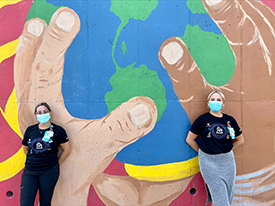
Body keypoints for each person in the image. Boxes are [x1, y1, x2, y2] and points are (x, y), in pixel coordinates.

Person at [186, 91, 245, 206]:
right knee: (220, 198)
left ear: (223, 104)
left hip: (227, 162)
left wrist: (228, 150)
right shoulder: (202, 119)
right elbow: (189, 139)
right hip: (209, 163)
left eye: (218, 100)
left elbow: (240, 140)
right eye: (213, 99)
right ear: (208, 103)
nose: (215, 102)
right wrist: (202, 152)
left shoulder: (229, 120)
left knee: (227, 196)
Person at [20, 102, 71, 206]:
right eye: (39, 112)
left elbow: (67, 150)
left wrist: (56, 164)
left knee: (45, 203)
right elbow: (25, 148)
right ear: (36, 115)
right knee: (25, 203)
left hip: (49, 171)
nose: (42, 114)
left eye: (45, 111)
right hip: (30, 171)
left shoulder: (58, 131)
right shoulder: (30, 130)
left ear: (50, 113)